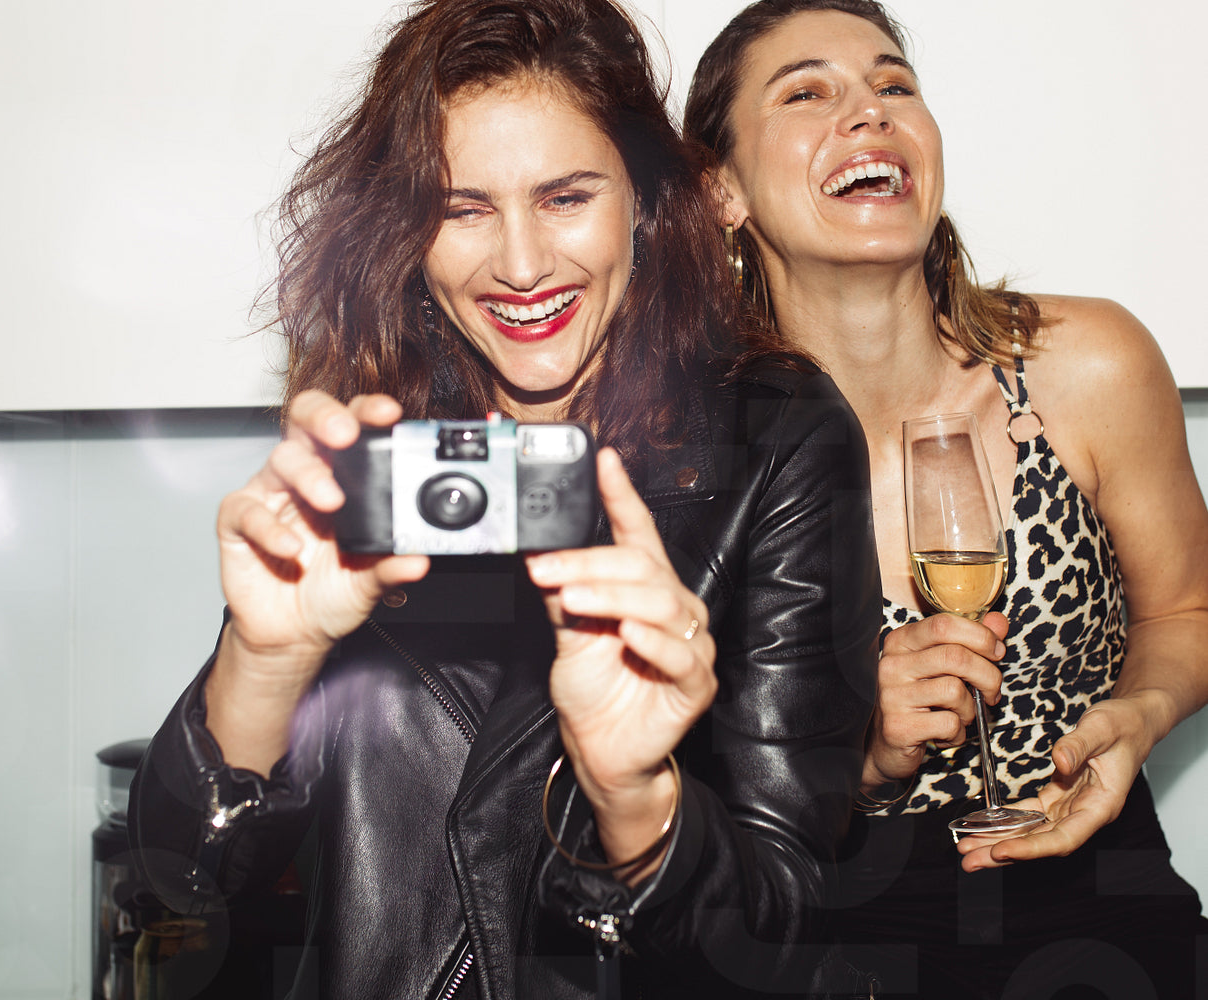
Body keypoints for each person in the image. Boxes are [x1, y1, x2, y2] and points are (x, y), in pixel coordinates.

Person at [127, 0, 882, 997]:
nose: (521, 266)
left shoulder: (776, 435)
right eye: (462, 208)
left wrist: (636, 800)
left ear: (644, 200)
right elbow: (182, 884)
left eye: (566, 197)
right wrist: (266, 663)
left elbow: (783, 928)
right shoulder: (375, 441)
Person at [685, 2, 1208, 997]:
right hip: (827, 934)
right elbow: (662, 793)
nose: (868, 111)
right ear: (722, 189)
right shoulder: (690, 455)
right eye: (807, 93)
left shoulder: (1089, 366)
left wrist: (1140, 713)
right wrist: (851, 756)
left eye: (894, 85)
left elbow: (1190, 608)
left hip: (1103, 903)